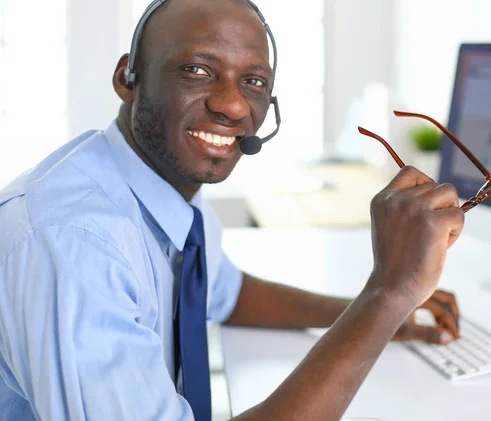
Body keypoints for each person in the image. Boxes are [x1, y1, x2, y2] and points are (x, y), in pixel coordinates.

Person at [0, 0, 464, 419]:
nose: (232, 105)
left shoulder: (165, 191)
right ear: (128, 78)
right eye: (197, 70)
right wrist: (387, 295)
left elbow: (227, 293)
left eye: (254, 81)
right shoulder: (73, 243)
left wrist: (369, 313)